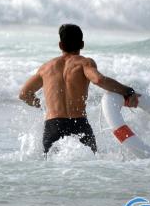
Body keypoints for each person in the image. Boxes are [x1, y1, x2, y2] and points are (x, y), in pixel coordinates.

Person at [18, 24, 140, 156]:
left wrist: (44, 106)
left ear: (60, 45)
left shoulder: (46, 68)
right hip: (78, 124)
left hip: (52, 126)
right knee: (89, 168)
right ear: (82, 44)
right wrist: (127, 91)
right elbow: (99, 80)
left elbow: (24, 94)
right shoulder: (84, 63)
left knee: (51, 171)